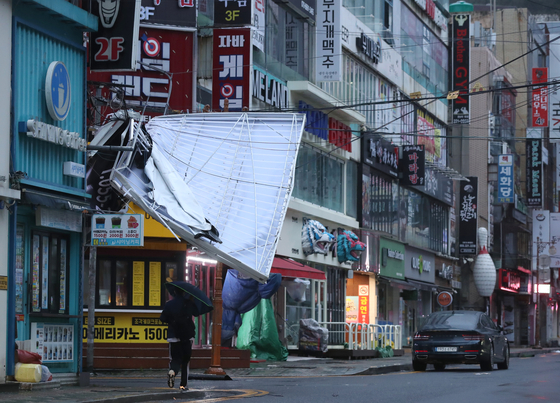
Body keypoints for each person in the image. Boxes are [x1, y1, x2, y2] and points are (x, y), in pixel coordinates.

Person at [160, 289, 196, 392]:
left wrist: (172, 321)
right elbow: (194, 313)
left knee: (175, 359)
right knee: (185, 361)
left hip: (173, 336)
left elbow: (162, 318)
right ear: (184, 293)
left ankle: (172, 371)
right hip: (187, 337)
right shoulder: (188, 303)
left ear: (174, 293)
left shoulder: (169, 304)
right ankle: (183, 385)